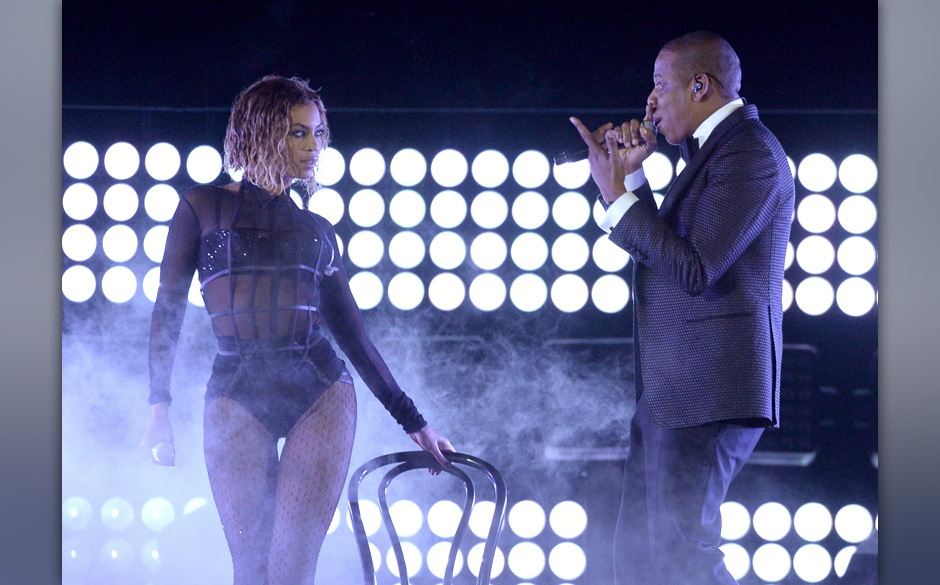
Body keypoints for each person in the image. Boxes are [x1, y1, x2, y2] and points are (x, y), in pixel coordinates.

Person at [139, 75, 455, 585]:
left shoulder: (318, 231)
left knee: (291, 571)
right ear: (262, 132)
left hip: (319, 391)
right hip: (235, 391)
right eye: (298, 133)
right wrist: (159, 406)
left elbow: (354, 337)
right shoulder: (201, 207)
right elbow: (167, 309)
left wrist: (415, 422)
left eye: (318, 133)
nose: (314, 147)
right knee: (250, 570)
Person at [570, 31, 794, 585]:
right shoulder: (714, 153)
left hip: (710, 392)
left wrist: (616, 197)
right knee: (640, 561)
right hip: (674, 391)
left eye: (659, 85)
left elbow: (695, 269)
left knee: (683, 558)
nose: (649, 102)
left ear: (700, 86)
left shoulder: (751, 152)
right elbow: (668, 258)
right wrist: (632, 177)